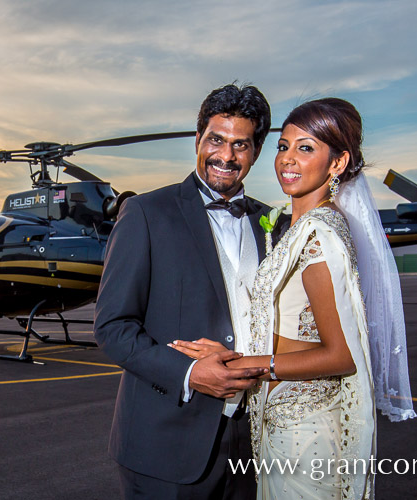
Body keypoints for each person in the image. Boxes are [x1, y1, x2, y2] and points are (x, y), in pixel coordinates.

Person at [171, 98, 416, 499]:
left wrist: (246, 365)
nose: (288, 159)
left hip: (305, 434)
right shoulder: (298, 227)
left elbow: (341, 355)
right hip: (278, 423)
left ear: (337, 164)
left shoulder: (321, 235)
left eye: (306, 148)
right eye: (284, 146)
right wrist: (235, 357)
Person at [94, 84, 290, 499]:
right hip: (166, 443)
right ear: (197, 139)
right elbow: (113, 327)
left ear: (256, 152)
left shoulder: (274, 224)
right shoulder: (146, 213)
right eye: (216, 140)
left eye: (241, 145)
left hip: (255, 441)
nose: (226, 156)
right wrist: (189, 372)